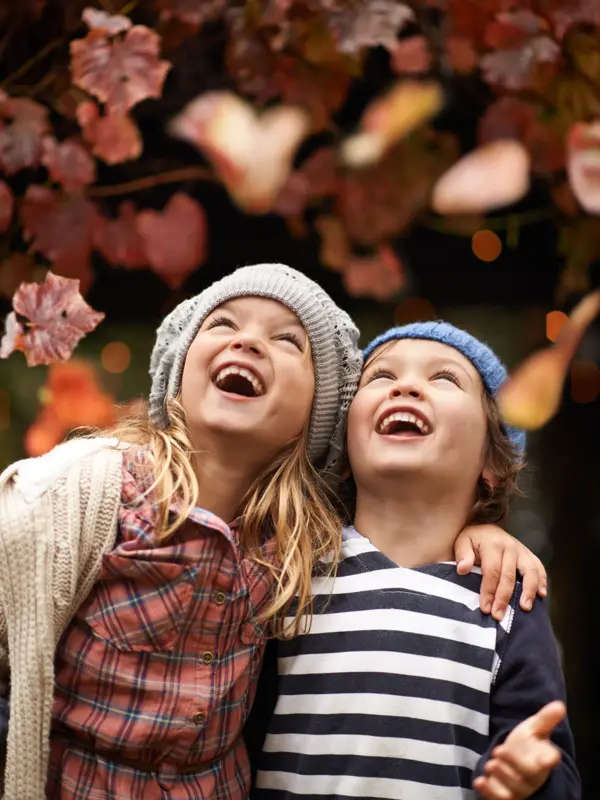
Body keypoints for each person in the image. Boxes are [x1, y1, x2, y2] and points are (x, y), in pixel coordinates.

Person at [0, 266, 546, 800]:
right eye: (223, 324)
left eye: (287, 340)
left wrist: (484, 529)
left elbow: (410, 518)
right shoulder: (93, 490)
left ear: (320, 415)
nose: (247, 342)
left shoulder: (295, 549)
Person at [253, 321, 580, 800]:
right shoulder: (288, 568)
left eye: (444, 378)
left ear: (492, 463)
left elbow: (553, 764)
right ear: (343, 454)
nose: (405, 386)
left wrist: (530, 778)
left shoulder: (507, 599)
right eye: (381, 376)